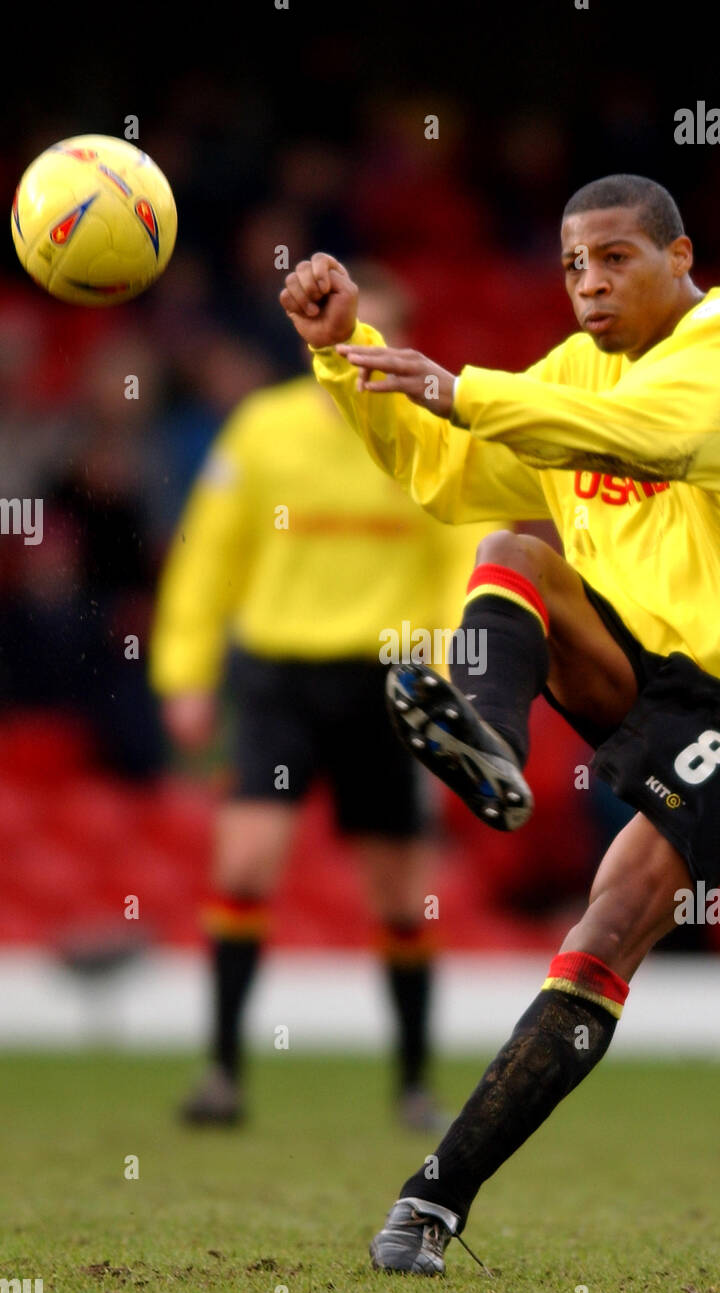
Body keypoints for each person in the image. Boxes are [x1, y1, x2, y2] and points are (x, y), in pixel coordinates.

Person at [279, 174, 720, 1273]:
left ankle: (431, 1201)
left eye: (613, 259)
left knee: (606, 925)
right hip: (643, 665)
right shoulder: (570, 373)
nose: (587, 284)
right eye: (569, 267)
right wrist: (339, 359)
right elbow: (451, 477)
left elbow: (653, 438)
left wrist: (465, 386)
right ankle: (488, 739)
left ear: (679, 257)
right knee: (509, 551)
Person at [150, 265, 494, 1131]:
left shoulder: (425, 436)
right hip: (280, 678)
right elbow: (207, 553)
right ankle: (223, 1072)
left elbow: (461, 556)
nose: (358, 353)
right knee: (245, 864)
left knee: (397, 893)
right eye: (346, 336)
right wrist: (185, 672)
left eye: (375, 339)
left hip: (387, 681)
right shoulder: (262, 430)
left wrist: (450, 668)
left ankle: (415, 1083)